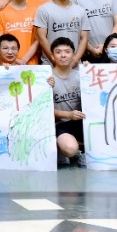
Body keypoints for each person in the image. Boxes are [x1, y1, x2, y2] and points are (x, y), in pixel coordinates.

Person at [34, 0, 88, 66]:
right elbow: (42, 38)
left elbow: (84, 38)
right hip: (50, 64)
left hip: (74, 65)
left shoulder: (80, 11)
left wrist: (75, 60)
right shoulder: (43, 9)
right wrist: (55, 60)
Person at [48, 37, 85, 167]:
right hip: (60, 124)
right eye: (58, 52)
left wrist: (90, 71)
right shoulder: (47, 78)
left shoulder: (82, 75)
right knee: (70, 148)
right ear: (52, 56)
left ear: (74, 55)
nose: (63, 55)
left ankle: (83, 150)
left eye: (67, 52)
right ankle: (67, 151)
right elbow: (43, 110)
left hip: (82, 122)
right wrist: (68, 115)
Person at [0, 0, 40, 65]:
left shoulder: (37, 11)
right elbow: (0, 40)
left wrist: (24, 60)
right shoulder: (1, 12)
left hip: (31, 63)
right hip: (8, 64)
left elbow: (38, 40)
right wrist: (15, 60)